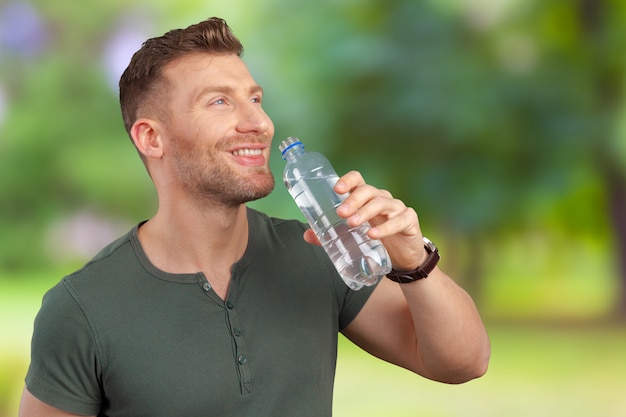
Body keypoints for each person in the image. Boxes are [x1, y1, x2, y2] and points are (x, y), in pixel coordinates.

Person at [18, 17, 490, 417]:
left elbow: (463, 362)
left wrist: (414, 260)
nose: (259, 123)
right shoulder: (80, 309)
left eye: (255, 98)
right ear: (151, 138)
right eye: (220, 101)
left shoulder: (318, 255)